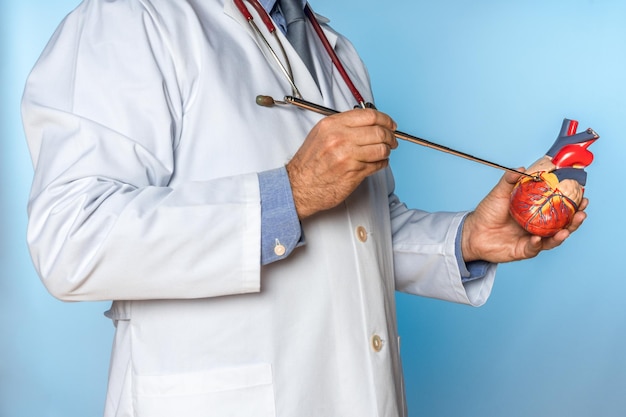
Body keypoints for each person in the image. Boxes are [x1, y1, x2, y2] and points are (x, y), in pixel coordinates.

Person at [21, 0, 587, 416]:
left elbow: (358, 230)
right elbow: (73, 236)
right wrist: (290, 191)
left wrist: (465, 239)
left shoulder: (328, 47)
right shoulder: (129, 20)